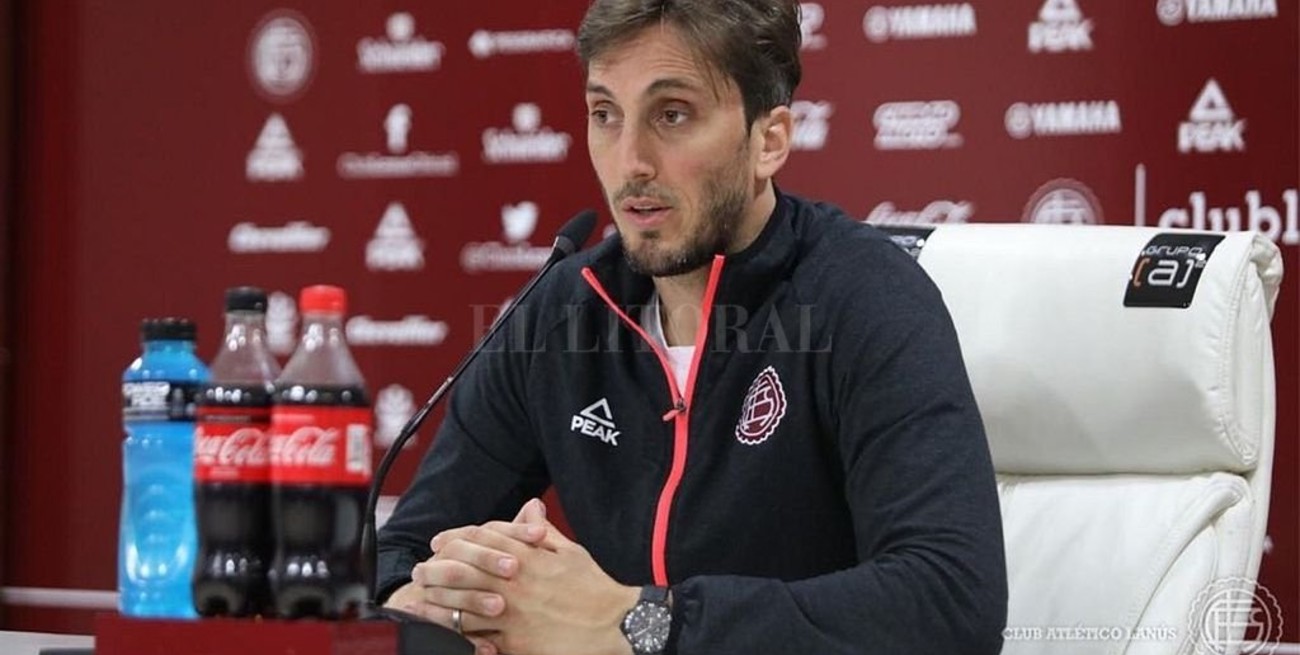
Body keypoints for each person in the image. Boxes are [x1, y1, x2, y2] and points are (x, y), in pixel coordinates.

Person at [378, 1, 1007, 653]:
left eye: (672, 114)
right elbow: (398, 554)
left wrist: (641, 622)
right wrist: (442, 604)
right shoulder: (563, 310)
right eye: (605, 114)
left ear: (769, 141)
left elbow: (951, 603)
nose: (631, 162)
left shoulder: (865, 297)